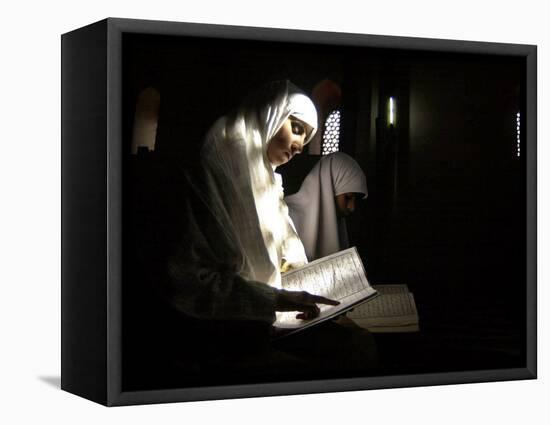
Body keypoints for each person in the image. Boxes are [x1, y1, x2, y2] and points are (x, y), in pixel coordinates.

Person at [165, 80, 339, 330]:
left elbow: (282, 248)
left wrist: (290, 271)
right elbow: (186, 283)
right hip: (216, 334)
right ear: (271, 113)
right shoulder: (214, 162)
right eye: (297, 128)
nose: (300, 146)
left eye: (306, 136)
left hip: (264, 322)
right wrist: (271, 299)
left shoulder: (266, 179)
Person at [284, 152, 368, 261]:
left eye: (355, 200)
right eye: (348, 197)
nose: (352, 207)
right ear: (329, 188)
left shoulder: (338, 226)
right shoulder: (286, 215)